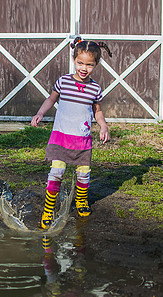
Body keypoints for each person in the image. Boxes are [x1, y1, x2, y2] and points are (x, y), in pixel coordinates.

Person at [31, 36, 112, 229]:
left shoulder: (95, 88)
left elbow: (97, 111)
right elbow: (51, 100)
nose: (84, 68)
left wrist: (104, 126)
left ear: (96, 64)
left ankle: (81, 201)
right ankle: (49, 209)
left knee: (84, 174)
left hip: (82, 140)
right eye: (80, 63)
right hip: (61, 136)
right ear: (74, 60)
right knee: (56, 172)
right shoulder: (63, 82)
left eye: (89, 65)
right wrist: (40, 112)